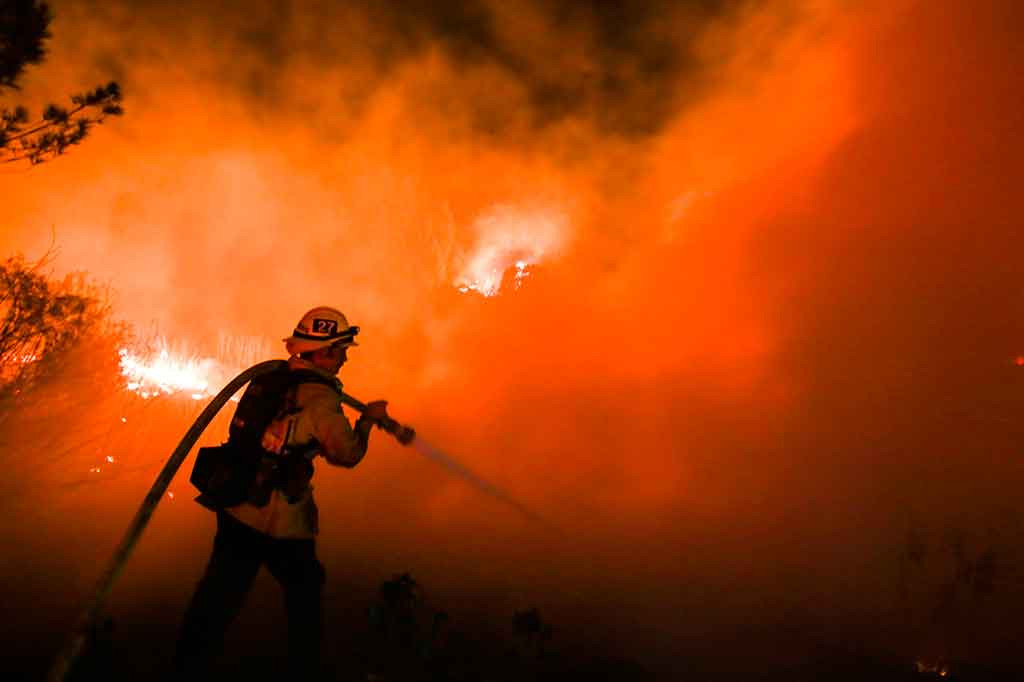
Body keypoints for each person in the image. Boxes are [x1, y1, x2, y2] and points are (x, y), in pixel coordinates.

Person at [170, 306, 390, 681]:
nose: (345, 357)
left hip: (237, 506)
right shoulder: (320, 399)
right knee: (304, 591)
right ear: (322, 352)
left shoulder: (273, 378)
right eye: (340, 350)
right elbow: (347, 453)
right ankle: (305, 669)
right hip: (278, 520)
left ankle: (185, 666)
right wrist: (367, 423)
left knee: (219, 593)